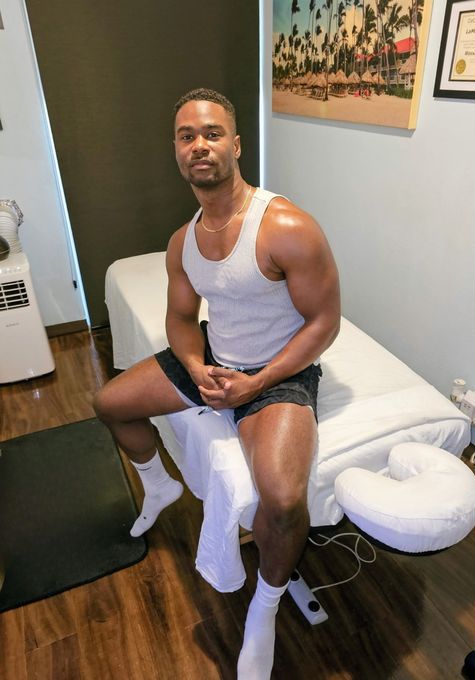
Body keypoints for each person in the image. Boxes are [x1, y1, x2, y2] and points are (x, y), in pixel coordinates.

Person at [93, 87, 340, 679]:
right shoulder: (184, 241)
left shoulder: (285, 226)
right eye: (186, 136)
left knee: (283, 501)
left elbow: (324, 322)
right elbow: (181, 320)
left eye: (211, 133)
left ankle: (265, 606)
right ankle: (159, 487)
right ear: (177, 151)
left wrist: (259, 383)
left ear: (236, 144)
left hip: (278, 372)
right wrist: (195, 363)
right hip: (214, 356)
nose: (199, 145)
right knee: (110, 402)